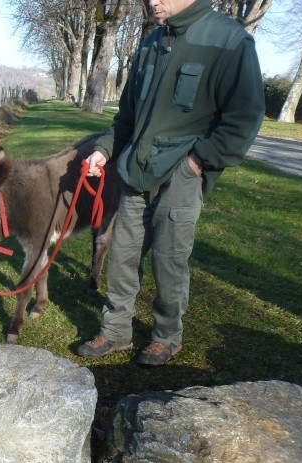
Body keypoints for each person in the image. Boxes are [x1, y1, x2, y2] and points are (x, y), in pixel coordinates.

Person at [77, 0, 265, 367]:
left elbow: (244, 116)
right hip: (136, 169)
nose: (153, 1)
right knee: (122, 256)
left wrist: (198, 161)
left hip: (182, 172)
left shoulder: (230, 41)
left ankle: (166, 336)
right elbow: (127, 115)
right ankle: (115, 330)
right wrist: (104, 150)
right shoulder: (150, 43)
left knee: (170, 259)